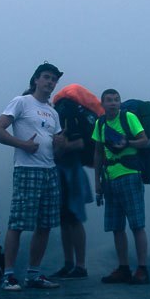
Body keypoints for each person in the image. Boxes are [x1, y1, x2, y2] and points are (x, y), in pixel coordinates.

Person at [0, 63, 66, 291]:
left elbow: (56, 147)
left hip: (49, 170)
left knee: (45, 225)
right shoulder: (21, 102)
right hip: (27, 168)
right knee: (18, 223)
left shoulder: (53, 112)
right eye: (46, 77)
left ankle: (34, 274)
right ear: (35, 80)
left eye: (53, 79)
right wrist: (22, 144)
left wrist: (61, 145)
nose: (50, 82)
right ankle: (9, 275)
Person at [92, 89, 150, 285]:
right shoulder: (100, 123)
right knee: (116, 227)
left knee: (137, 225)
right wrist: (97, 182)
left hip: (130, 175)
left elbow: (144, 140)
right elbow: (98, 153)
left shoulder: (129, 117)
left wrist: (127, 143)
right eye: (109, 100)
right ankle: (124, 268)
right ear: (102, 104)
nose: (113, 103)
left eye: (116, 100)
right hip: (110, 179)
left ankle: (142, 269)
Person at [53, 100, 93, 280]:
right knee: (65, 220)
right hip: (64, 173)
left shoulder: (67, 116)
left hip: (72, 173)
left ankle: (80, 265)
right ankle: (70, 264)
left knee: (74, 218)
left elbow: (80, 143)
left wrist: (60, 148)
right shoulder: (57, 116)